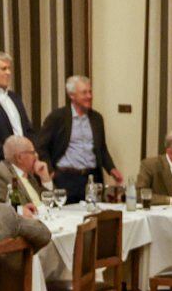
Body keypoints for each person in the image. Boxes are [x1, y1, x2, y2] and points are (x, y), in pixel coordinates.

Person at [36, 74, 114, 203]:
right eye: (84, 93)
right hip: (66, 179)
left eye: (90, 92)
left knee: (93, 218)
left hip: (92, 179)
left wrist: (112, 169)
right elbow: (41, 146)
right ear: (72, 95)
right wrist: (50, 171)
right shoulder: (57, 117)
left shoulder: (97, 118)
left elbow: (102, 148)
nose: (89, 96)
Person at [0, 134, 51, 211]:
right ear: (19, 158)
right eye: (33, 152)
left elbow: (51, 202)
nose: (36, 156)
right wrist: (19, 211)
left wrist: (45, 178)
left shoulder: (31, 174)